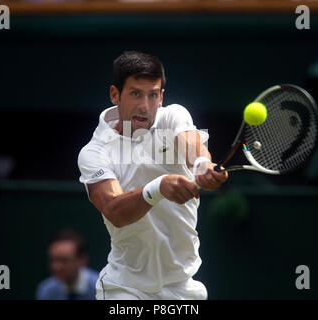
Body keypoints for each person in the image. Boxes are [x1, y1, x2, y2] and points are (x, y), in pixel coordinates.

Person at [77, 51, 228, 300]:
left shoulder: (172, 117)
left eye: (153, 94)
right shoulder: (95, 152)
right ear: (115, 94)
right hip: (125, 288)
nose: (145, 106)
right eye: (135, 93)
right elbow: (115, 211)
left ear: (161, 97)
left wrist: (202, 165)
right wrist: (157, 188)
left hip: (182, 286)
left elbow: (192, 146)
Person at [36, 229, 99, 300]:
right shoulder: (46, 290)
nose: (56, 266)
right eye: (52, 260)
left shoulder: (101, 288)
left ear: (82, 260)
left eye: (64, 260)